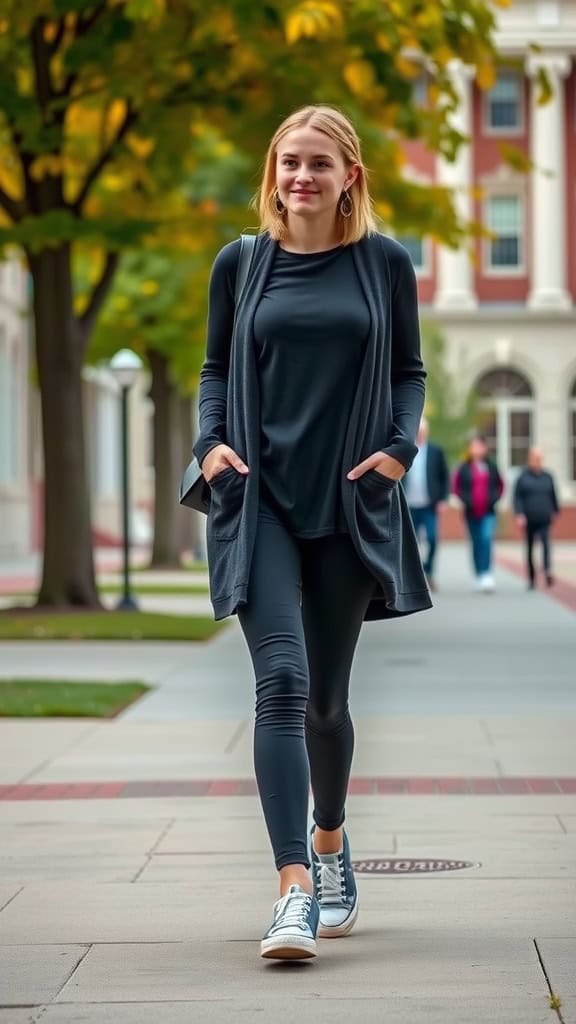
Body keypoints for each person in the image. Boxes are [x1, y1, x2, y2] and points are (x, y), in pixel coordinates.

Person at [193, 105, 431, 962]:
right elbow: (216, 369)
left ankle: (329, 841)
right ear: (274, 173)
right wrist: (209, 444)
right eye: (289, 162)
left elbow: (409, 371)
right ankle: (293, 887)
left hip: (348, 504)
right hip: (259, 502)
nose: (301, 177)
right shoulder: (242, 265)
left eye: (319, 164)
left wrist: (400, 450)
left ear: (349, 177)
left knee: (327, 704)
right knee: (283, 685)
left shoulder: (383, 264)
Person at [403, 417, 449, 591]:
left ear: (427, 433)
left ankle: (428, 571)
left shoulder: (436, 451)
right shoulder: (407, 449)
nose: (420, 435)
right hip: (409, 505)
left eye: (423, 432)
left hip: (430, 505)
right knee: (411, 543)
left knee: (432, 538)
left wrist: (443, 499)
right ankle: (415, 574)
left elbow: (445, 476)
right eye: (418, 432)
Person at [452, 434, 504, 592]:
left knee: (486, 538)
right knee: (475, 542)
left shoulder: (491, 466)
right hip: (471, 511)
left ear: (484, 448)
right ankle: (478, 572)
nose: (476, 449)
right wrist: (466, 500)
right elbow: (456, 487)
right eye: (473, 446)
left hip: (488, 511)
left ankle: (486, 573)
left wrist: (493, 499)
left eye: (479, 446)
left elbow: (500, 485)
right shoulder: (464, 467)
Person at [513, 447, 560, 589]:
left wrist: (555, 511)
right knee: (530, 548)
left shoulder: (548, 476)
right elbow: (517, 497)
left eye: (539, 458)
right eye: (534, 458)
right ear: (529, 459)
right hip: (529, 518)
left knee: (546, 544)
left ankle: (547, 570)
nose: (537, 461)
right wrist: (519, 514)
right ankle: (532, 578)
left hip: (544, 517)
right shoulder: (523, 477)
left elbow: (553, 495)